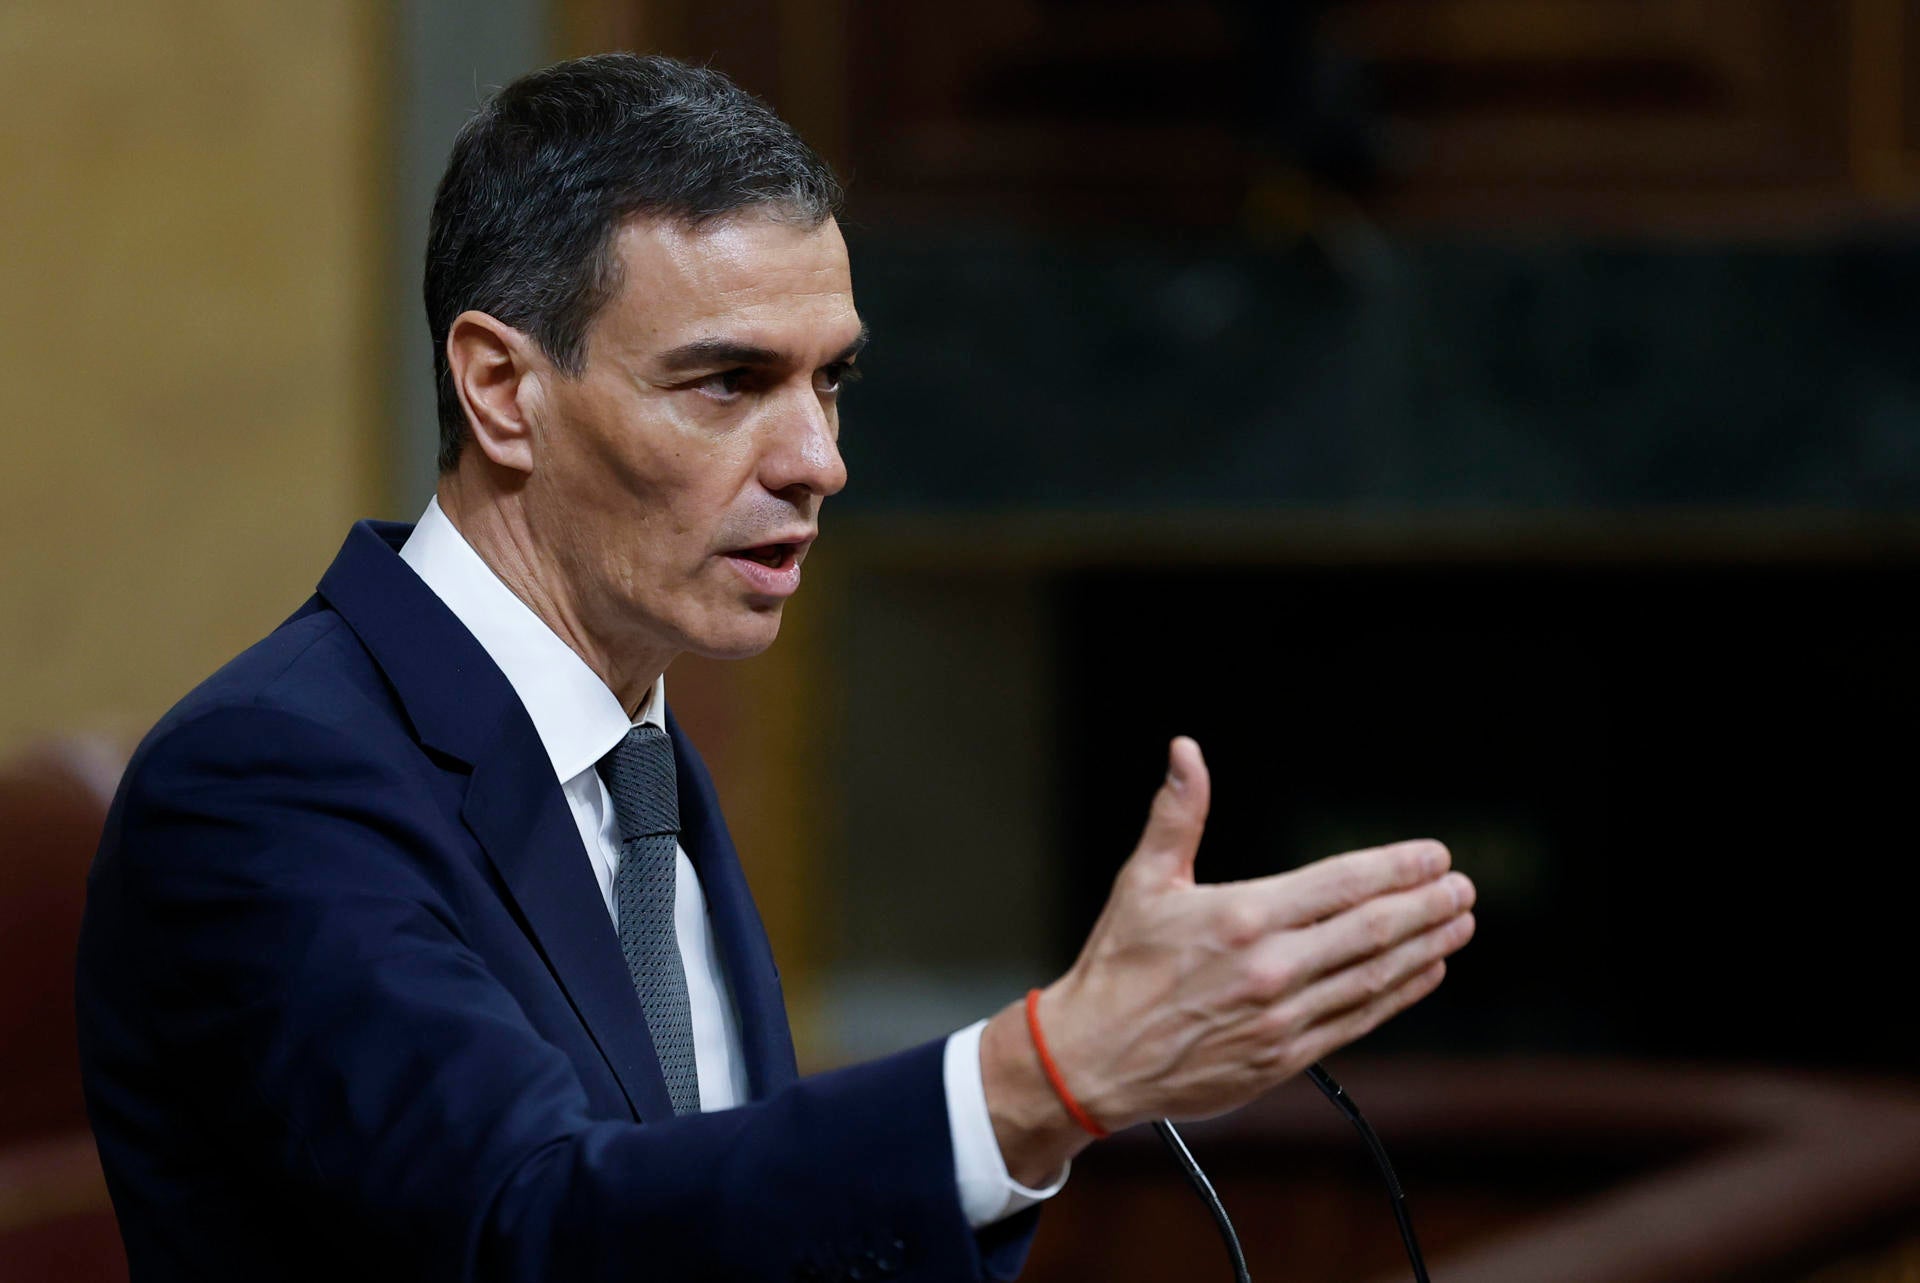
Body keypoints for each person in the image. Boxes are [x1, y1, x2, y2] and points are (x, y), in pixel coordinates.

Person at [76, 53, 1476, 1282]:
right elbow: (530, 1232)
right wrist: (1035, 1081)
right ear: (504, 389)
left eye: (832, 382)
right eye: (729, 384)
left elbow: (722, 1234)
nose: (820, 463)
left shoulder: (637, 759)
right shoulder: (270, 779)